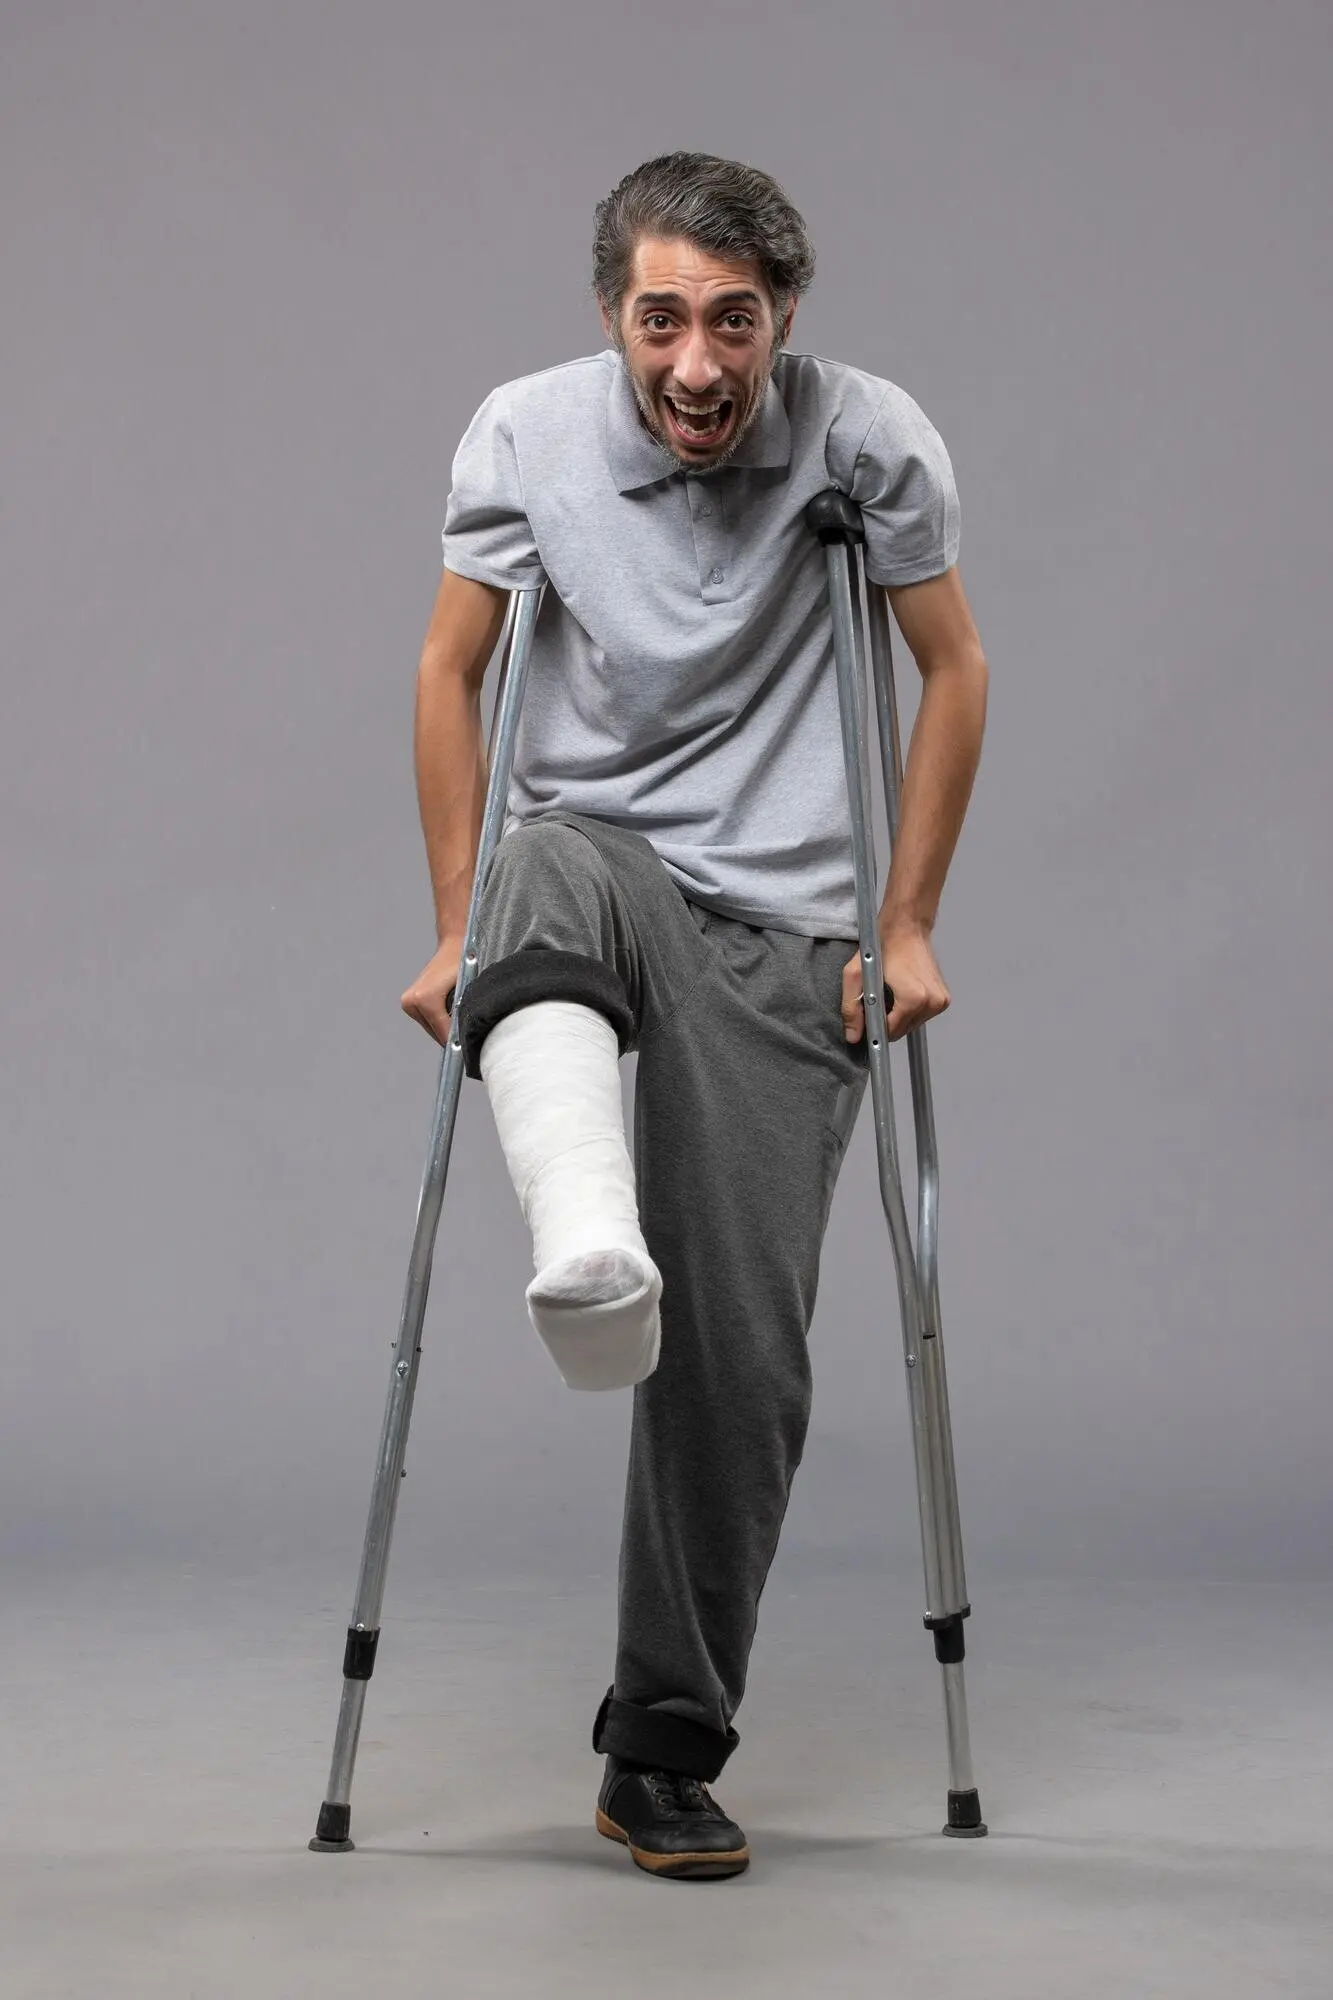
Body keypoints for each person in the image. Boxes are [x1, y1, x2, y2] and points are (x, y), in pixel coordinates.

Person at [400, 152, 989, 1881]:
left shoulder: (870, 439)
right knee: (543, 872)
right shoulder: (524, 433)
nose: (698, 365)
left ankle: (659, 1748)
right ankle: (588, 1234)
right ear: (613, 318)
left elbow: (952, 664)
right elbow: (452, 669)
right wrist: (451, 924)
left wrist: (907, 921)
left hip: (789, 917)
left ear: (783, 322)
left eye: (736, 323)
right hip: (597, 866)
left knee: (741, 1357)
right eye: (662, 320)